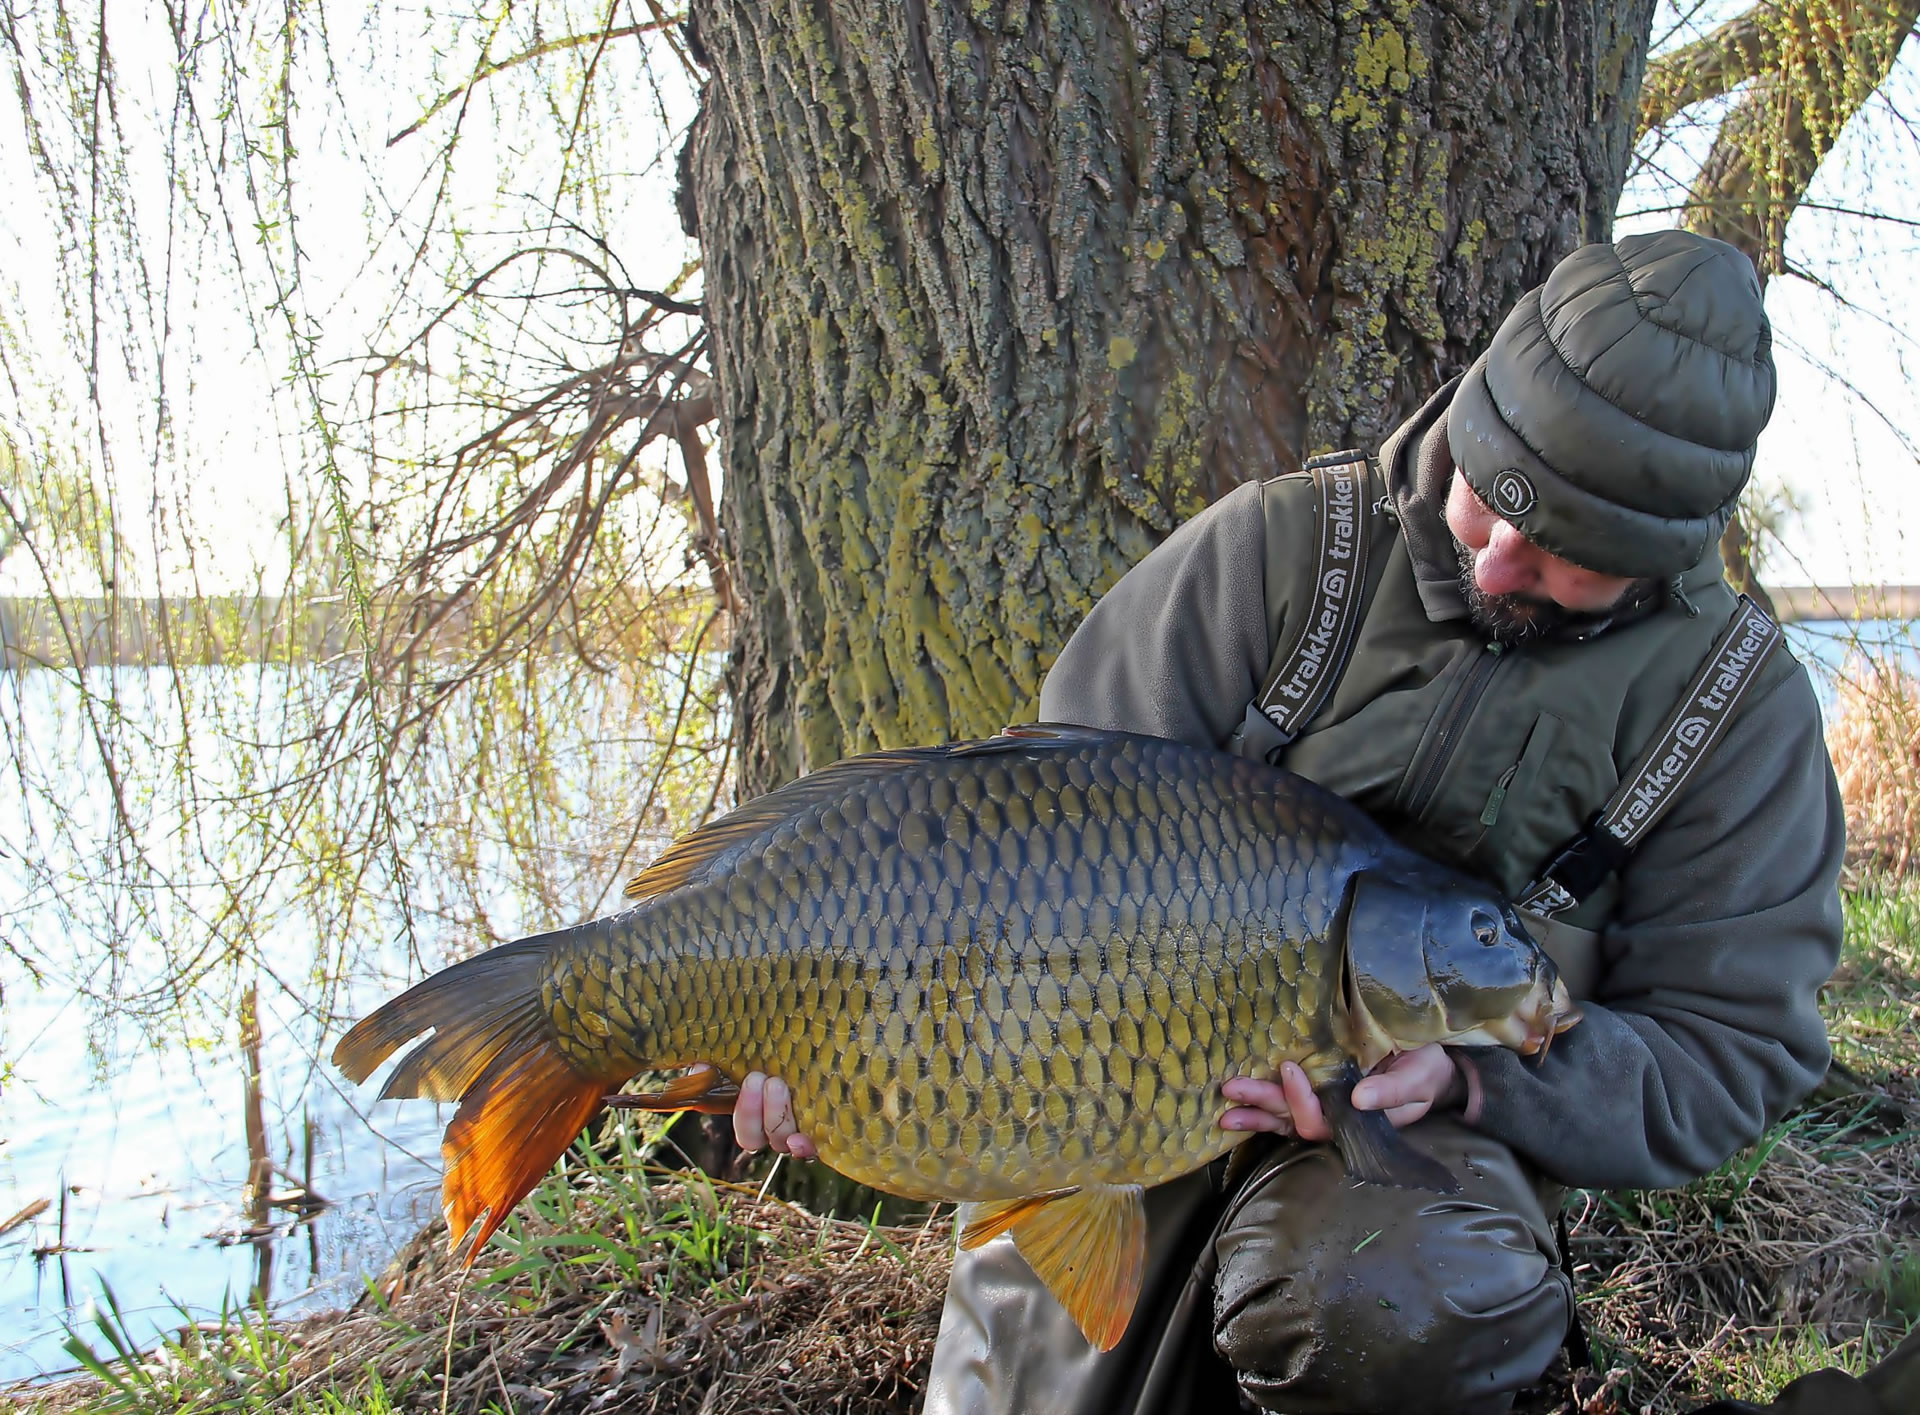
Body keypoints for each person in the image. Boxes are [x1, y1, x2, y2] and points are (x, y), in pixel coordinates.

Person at [728, 230, 1847, 1414]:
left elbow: (1734, 1052)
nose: (1505, 559)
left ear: (1661, 563)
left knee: (1397, 1299)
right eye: (1489, 501)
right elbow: (1019, 860)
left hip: (1421, 1154)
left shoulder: (1735, 713)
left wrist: (1471, 1077)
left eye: (1567, 553)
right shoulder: (1284, 549)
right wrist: (836, 1048)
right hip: (1101, 1075)